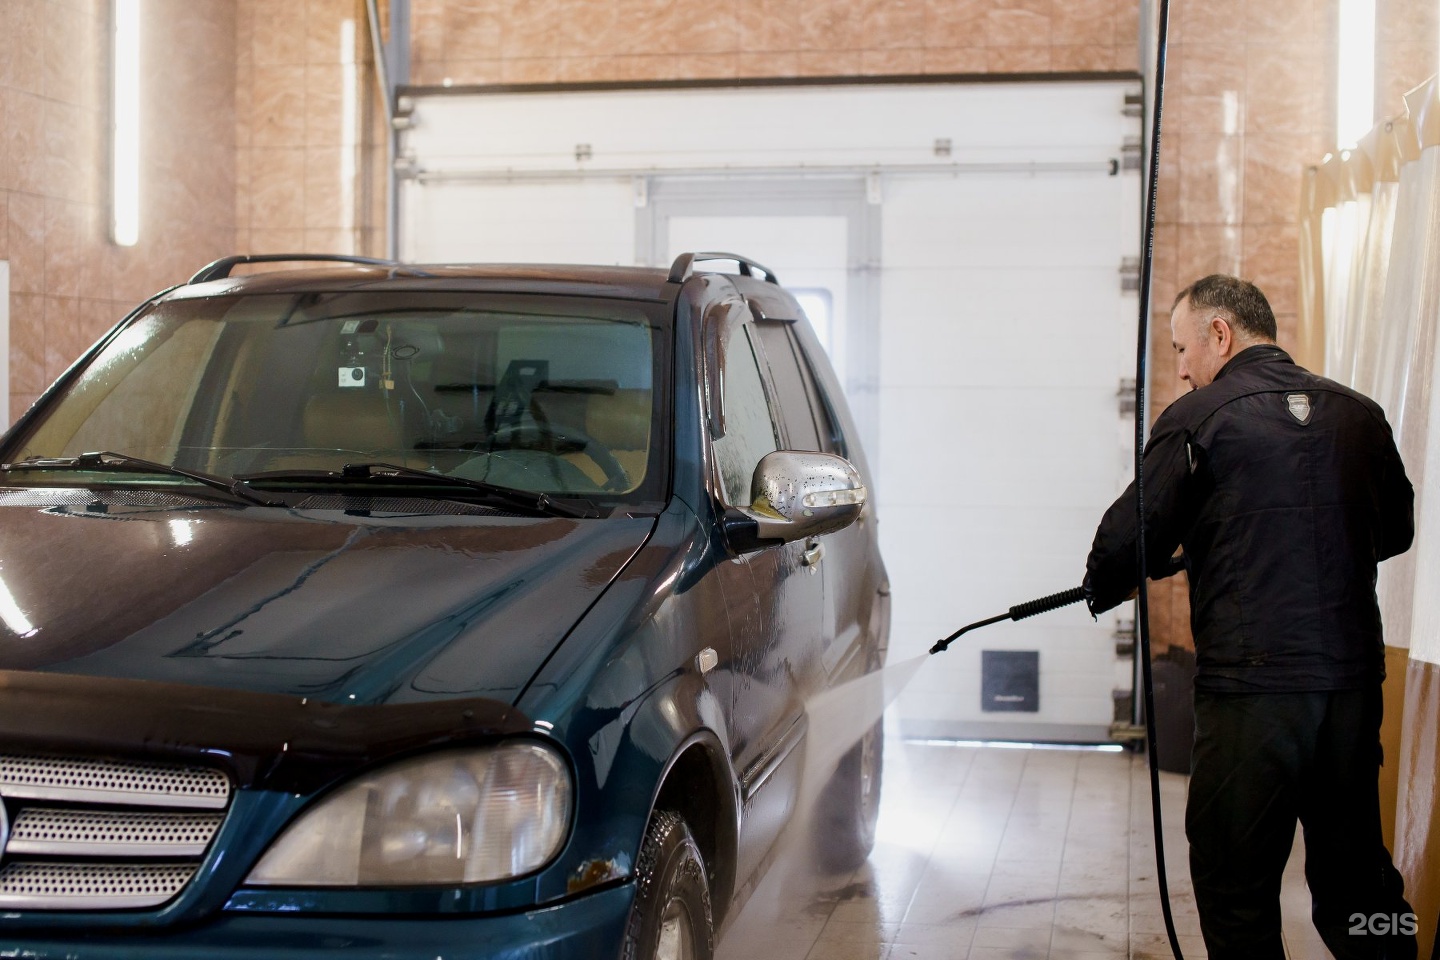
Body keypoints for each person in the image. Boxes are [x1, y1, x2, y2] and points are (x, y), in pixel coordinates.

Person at [1084, 275, 1418, 960]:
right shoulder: (1359, 414)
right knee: (1359, 880)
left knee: (1236, 880)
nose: (1179, 366)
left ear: (1220, 334)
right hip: (1351, 687)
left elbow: (1129, 537)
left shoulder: (1198, 416)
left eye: (1182, 347)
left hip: (1252, 693)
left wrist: (1104, 585)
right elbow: (1396, 531)